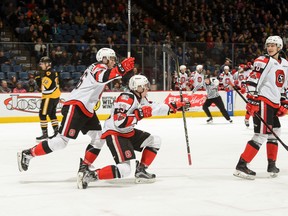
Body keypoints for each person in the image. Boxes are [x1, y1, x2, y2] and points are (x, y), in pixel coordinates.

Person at [17, 48, 135, 173]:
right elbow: (101, 77)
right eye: (112, 59)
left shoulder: (102, 68)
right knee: (61, 141)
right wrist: (121, 69)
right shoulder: (98, 66)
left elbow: (108, 76)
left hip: (86, 109)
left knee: (99, 138)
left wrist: (121, 71)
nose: (114, 61)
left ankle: (85, 167)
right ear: (104, 59)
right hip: (76, 106)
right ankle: (28, 154)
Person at [76, 74, 191, 189]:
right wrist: (138, 114)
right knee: (125, 169)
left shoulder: (140, 98)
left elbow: (153, 108)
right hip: (115, 133)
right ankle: (90, 175)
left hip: (126, 132)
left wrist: (173, 107)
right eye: (145, 86)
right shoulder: (126, 98)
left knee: (155, 141)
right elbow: (119, 122)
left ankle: (141, 170)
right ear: (138, 88)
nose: (147, 88)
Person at [234, 36, 288, 180]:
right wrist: (252, 100)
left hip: (274, 104)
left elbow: (284, 86)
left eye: (273, 45)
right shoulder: (263, 60)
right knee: (261, 134)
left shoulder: (285, 64)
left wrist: (284, 102)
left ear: (279, 47)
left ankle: (272, 164)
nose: (270, 47)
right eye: (268, 45)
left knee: (275, 131)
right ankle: (242, 164)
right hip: (263, 101)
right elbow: (252, 80)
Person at [35, 56, 61, 142]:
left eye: (42, 64)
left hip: (49, 97)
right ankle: (57, 132)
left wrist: (38, 79)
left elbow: (45, 87)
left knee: (42, 115)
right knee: (52, 114)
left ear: (47, 64)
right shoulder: (53, 72)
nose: (41, 65)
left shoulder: (49, 73)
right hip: (55, 96)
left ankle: (45, 134)